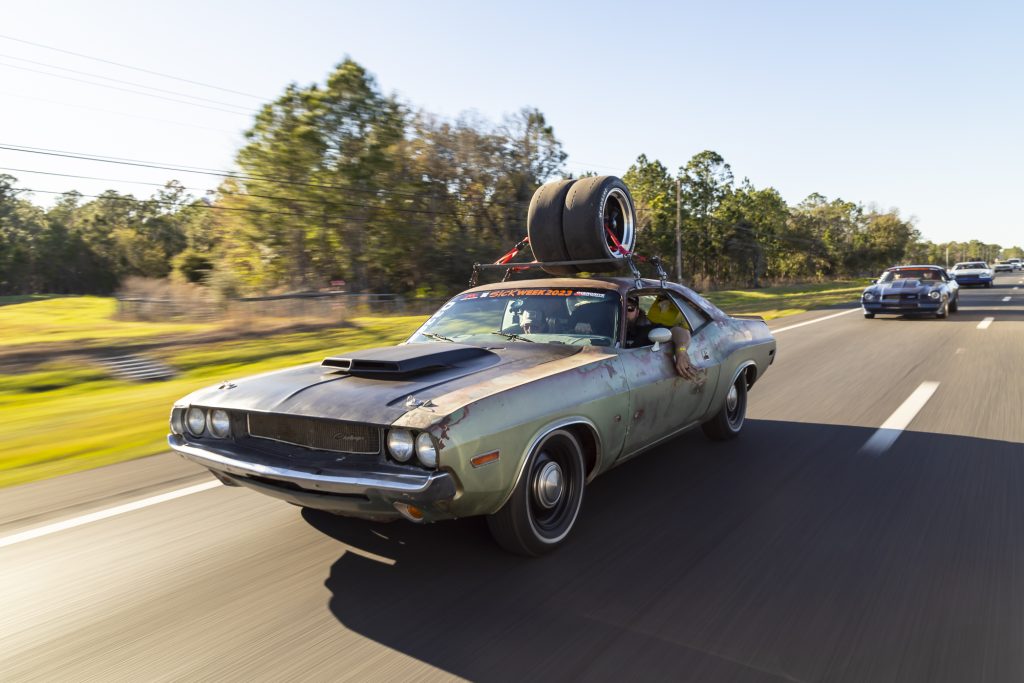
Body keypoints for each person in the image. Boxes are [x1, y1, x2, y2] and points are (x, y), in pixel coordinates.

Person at [625, 295, 703, 384]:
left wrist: (681, 351)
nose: (624, 312)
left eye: (630, 308)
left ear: (637, 312)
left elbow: (680, 331)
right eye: (621, 308)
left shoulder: (644, 330)